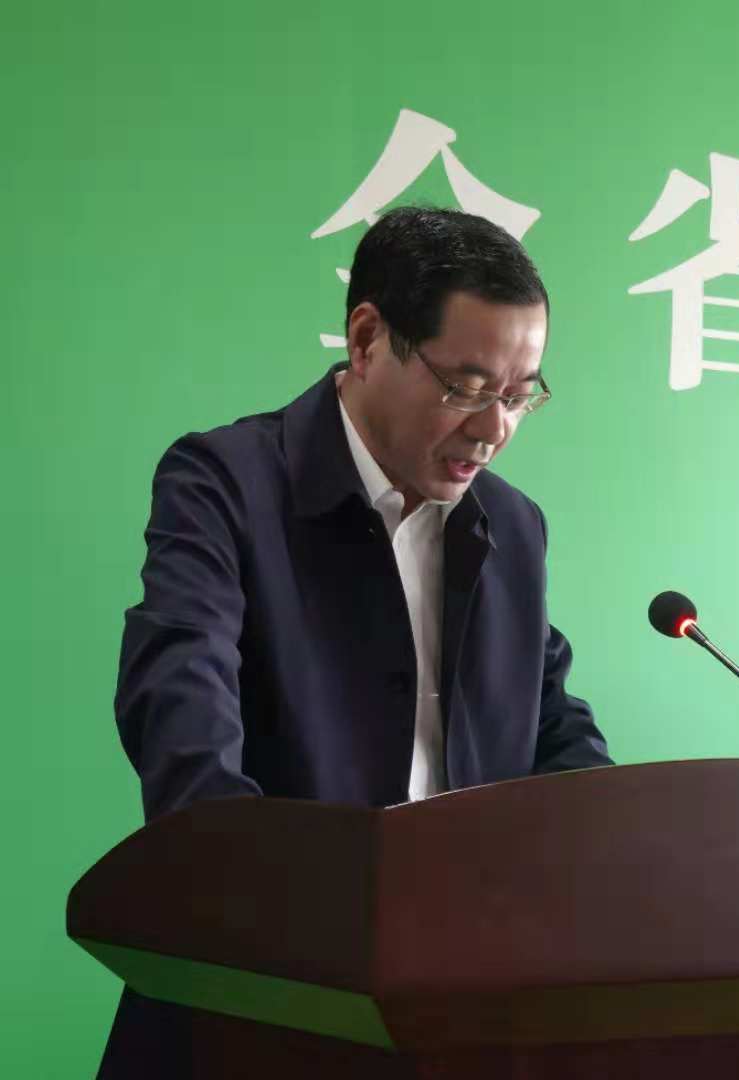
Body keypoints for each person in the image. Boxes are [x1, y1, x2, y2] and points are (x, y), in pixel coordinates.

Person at [100, 207, 613, 1075]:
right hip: (261, 998)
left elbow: (551, 725)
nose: (493, 430)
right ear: (368, 339)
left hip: (462, 1008)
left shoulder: (511, 526)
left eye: (520, 395)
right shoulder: (228, 484)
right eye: (466, 387)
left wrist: (621, 849)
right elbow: (180, 702)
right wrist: (257, 897)